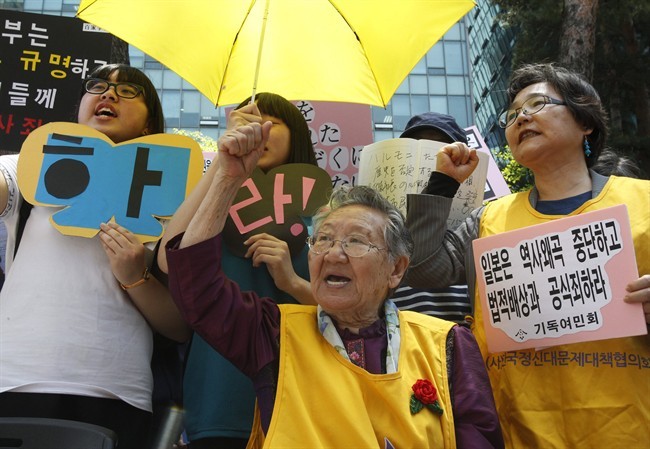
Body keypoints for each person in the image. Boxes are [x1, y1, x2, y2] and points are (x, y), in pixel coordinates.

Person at [163, 116, 505, 448]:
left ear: (396, 269)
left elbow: (478, 435)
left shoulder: (447, 345)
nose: (333, 254)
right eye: (323, 240)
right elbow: (198, 289)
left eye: (356, 241)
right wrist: (226, 179)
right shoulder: (273, 334)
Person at [405, 62, 650, 448]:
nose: (522, 118)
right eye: (513, 114)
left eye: (537, 104)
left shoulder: (644, 202)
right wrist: (442, 184)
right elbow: (419, 267)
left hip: (628, 429)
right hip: (516, 431)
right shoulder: (489, 218)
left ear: (585, 121)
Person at [0, 63, 190, 449]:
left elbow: (179, 326)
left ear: (149, 124)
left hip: (117, 389)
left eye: (128, 91)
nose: (108, 94)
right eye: (98, 86)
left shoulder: (174, 199)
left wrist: (134, 275)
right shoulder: (29, 165)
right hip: (13, 377)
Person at [157, 92, 318, 449]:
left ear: (297, 136)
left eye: (271, 123)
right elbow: (171, 261)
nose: (257, 130)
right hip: (218, 394)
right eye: (246, 122)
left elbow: (347, 311)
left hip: (302, 399)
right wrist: (223, 164)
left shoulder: (322, 215)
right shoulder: (216, 203)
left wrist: (292, 282)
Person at [390, 112, 471, 323]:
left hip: (461, 333)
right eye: (416, 147)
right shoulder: (383, 220)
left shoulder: (480, 220)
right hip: (399, 337)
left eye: (443, 148)